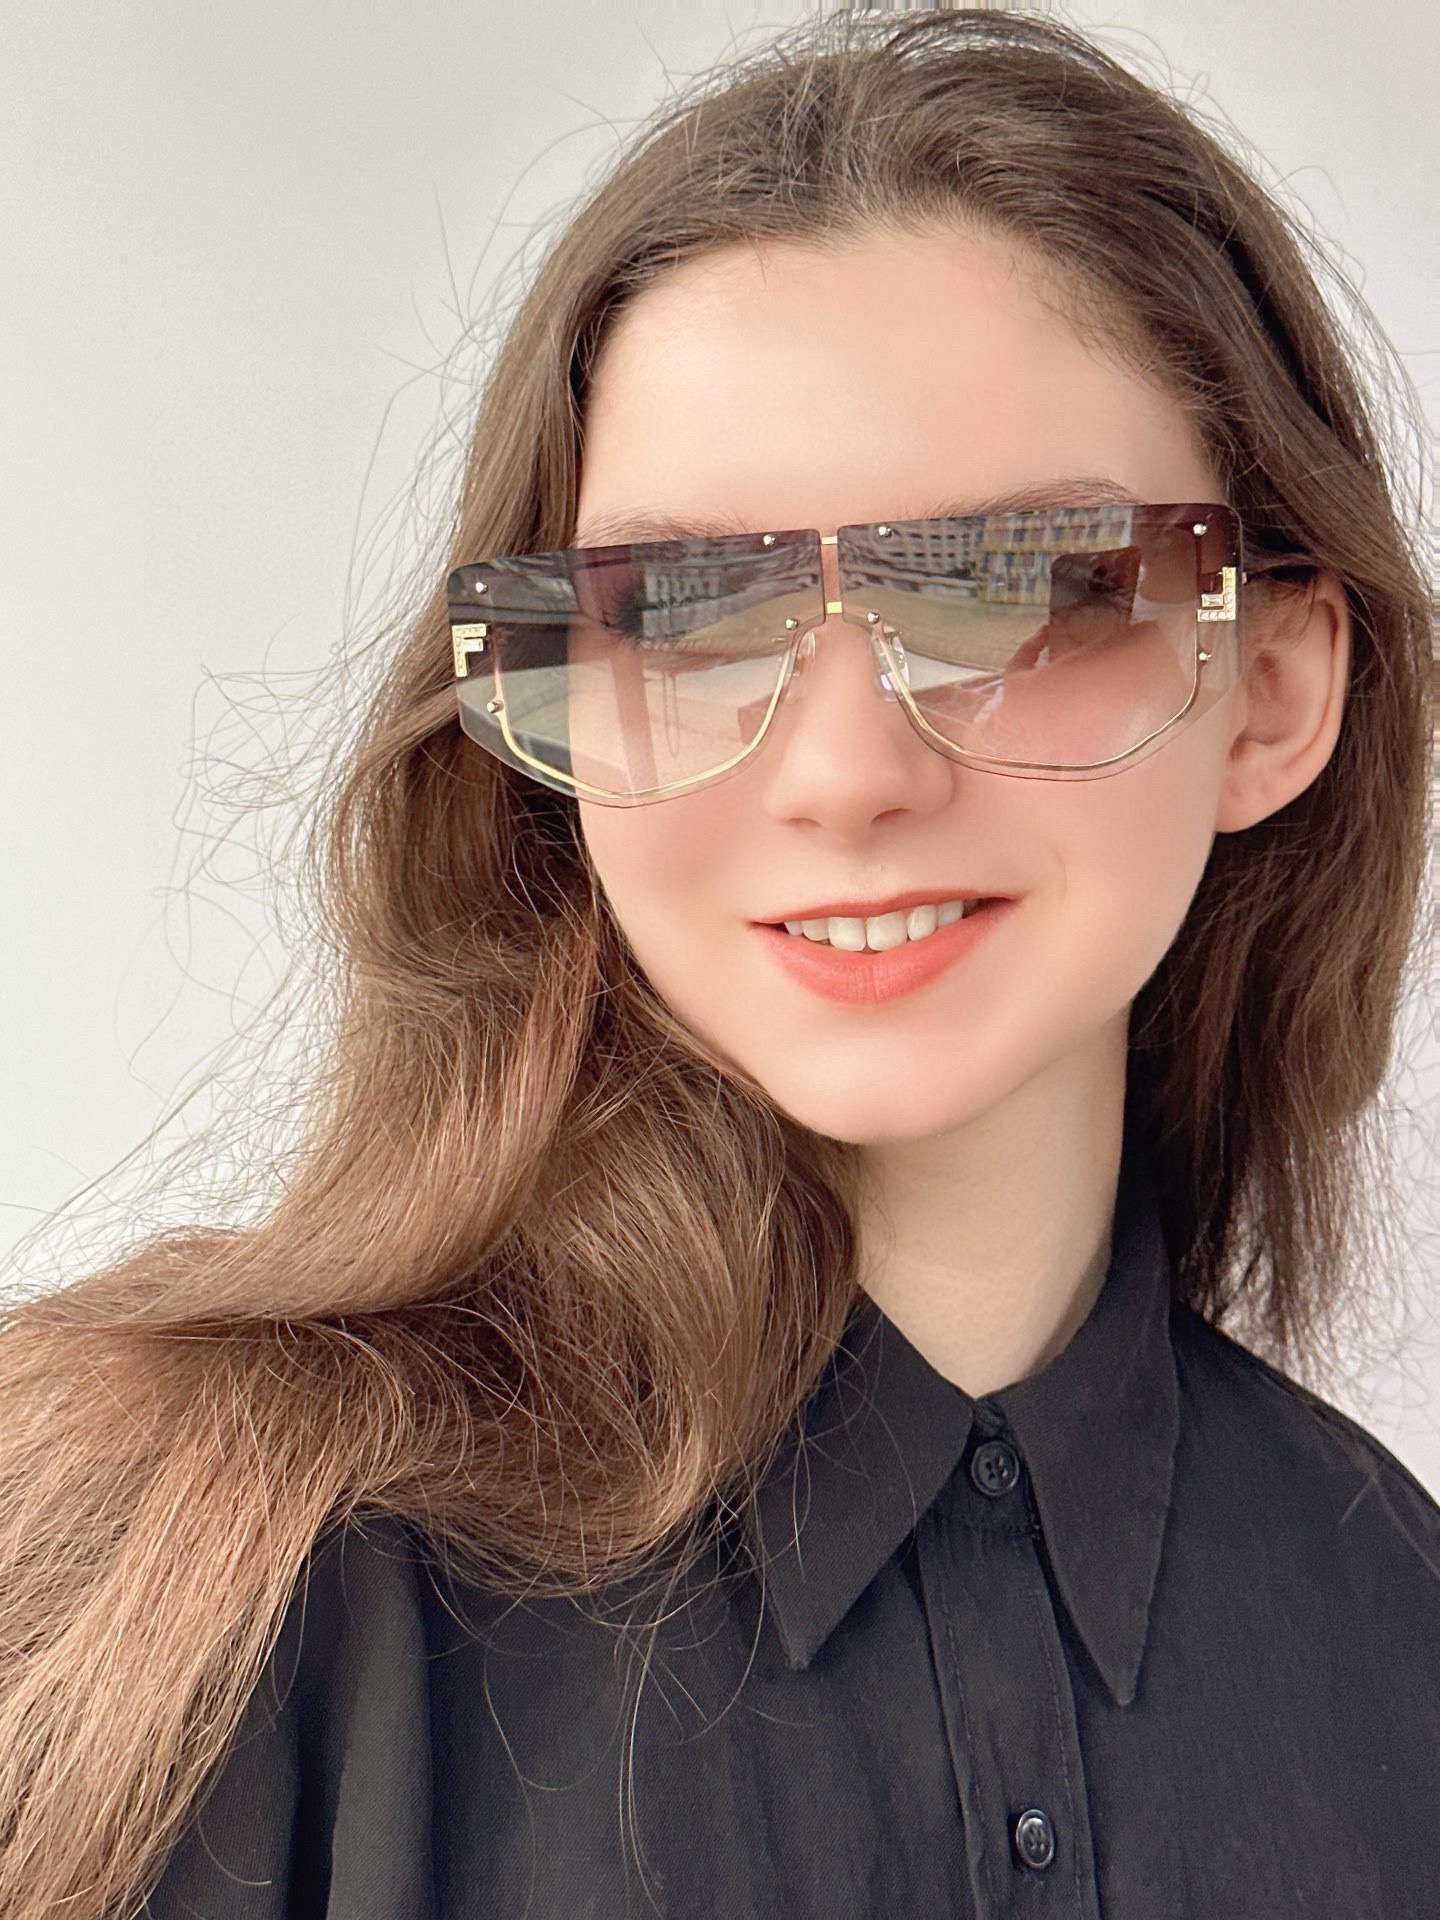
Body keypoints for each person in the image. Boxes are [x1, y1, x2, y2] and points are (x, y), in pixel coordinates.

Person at [2, 8, 1435, 1918]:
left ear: (1275, 687)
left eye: (1017, 593)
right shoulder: (180, 1596)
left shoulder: (1400, 1630)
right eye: (679, 621)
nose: (843, 775)